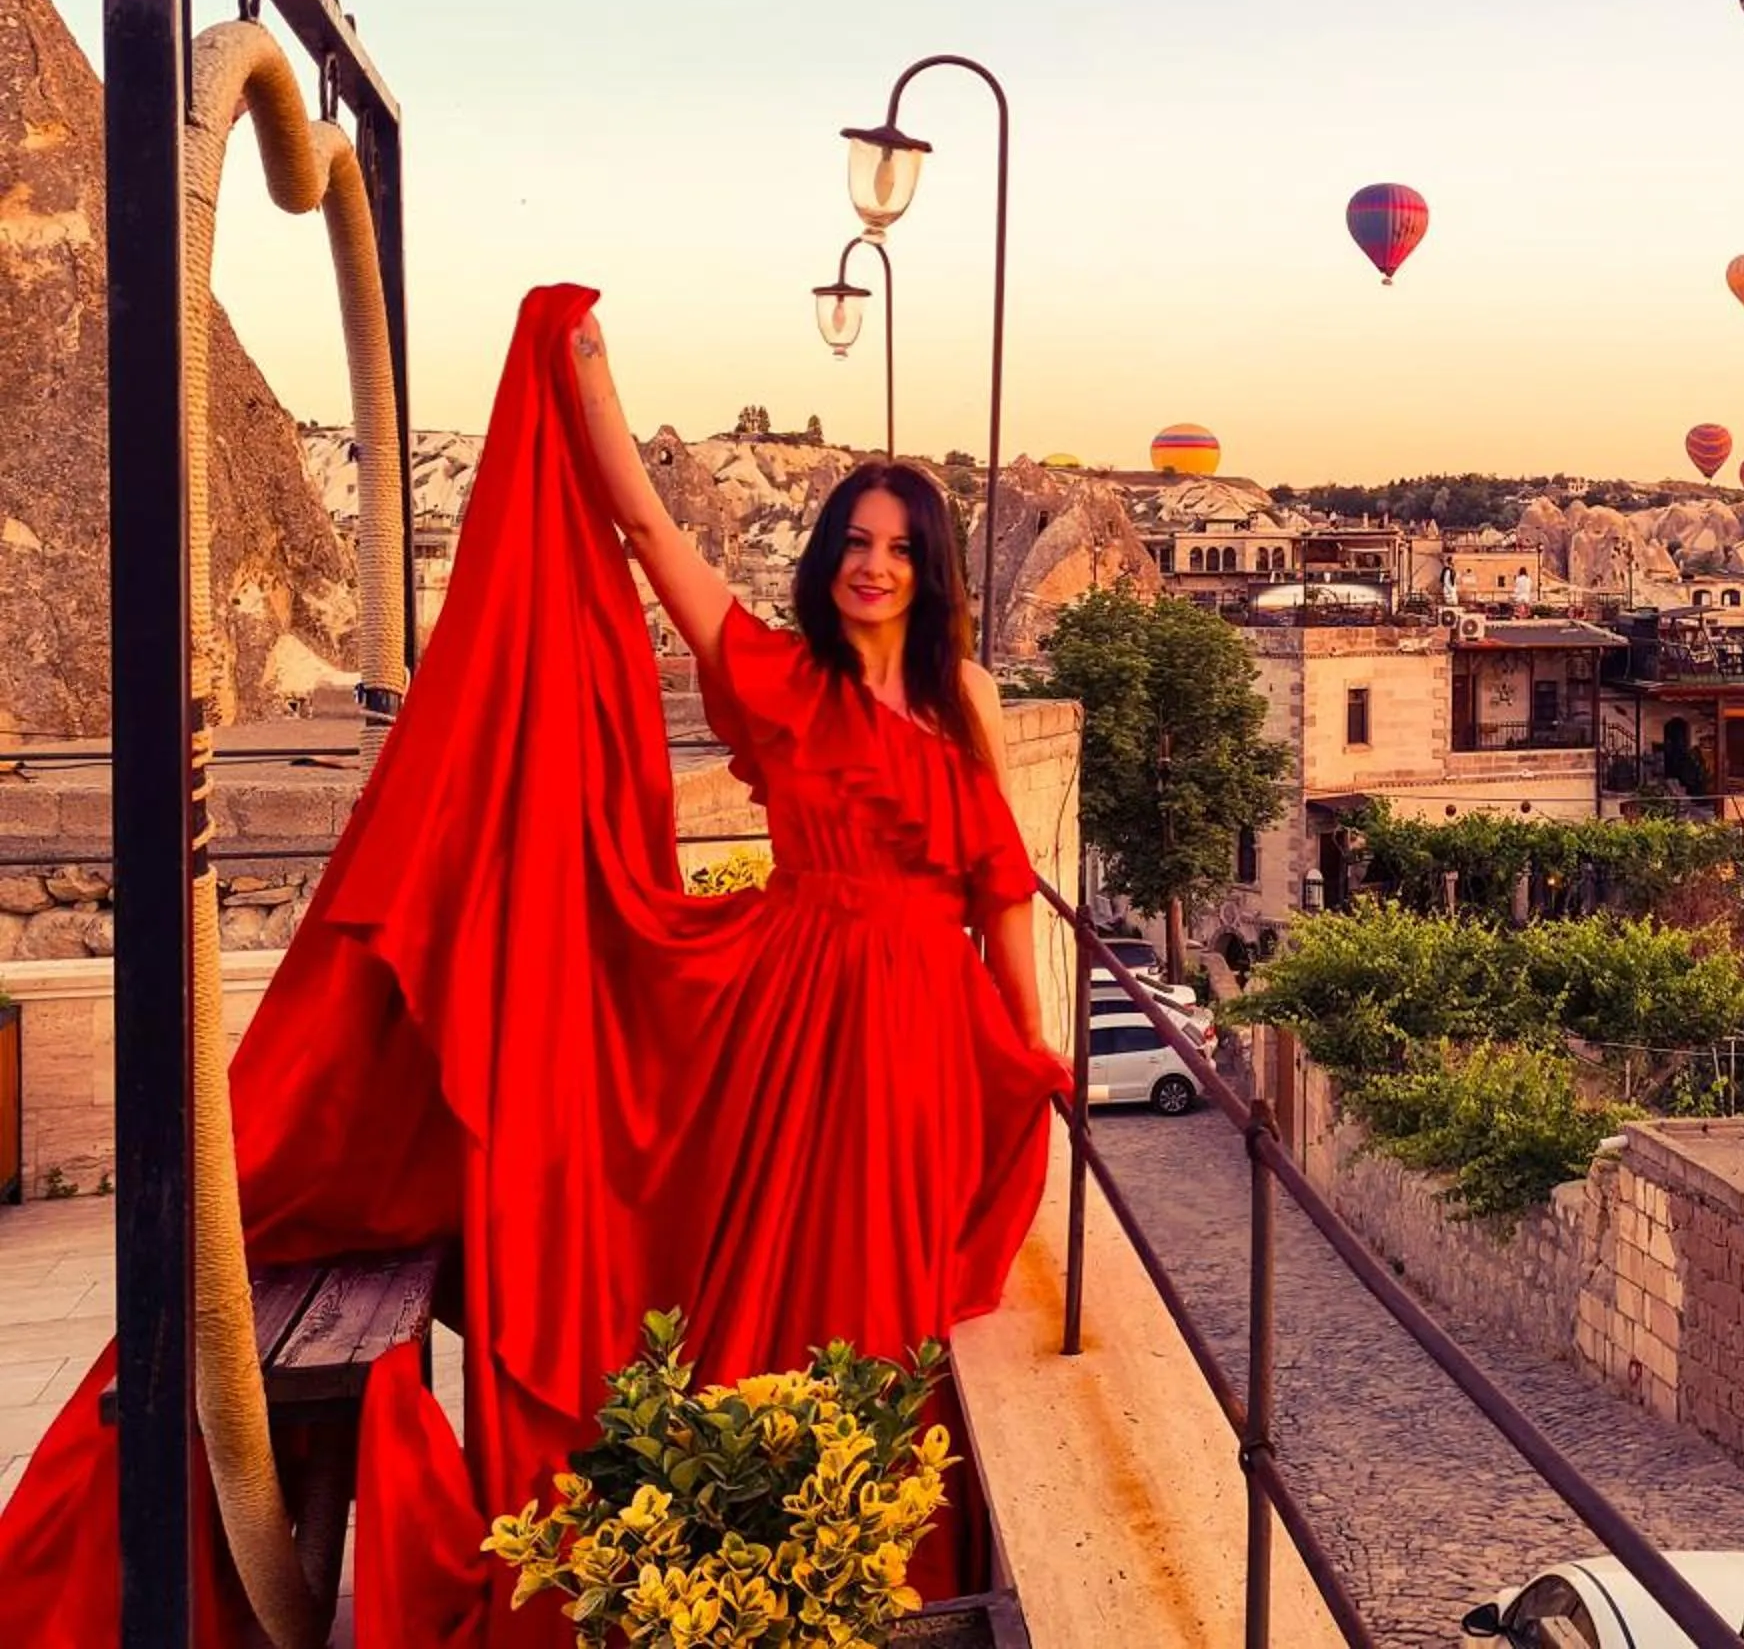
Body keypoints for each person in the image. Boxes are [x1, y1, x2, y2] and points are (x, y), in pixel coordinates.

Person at [0, 286, 1067, 1646]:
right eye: (853, 542)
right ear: (826, 559)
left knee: (894, 1315)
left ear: (931, 571)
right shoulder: (777, 679)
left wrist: (1034, 1046)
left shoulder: (964, 698)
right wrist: (587, 365)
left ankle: (886, 1582)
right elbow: (647, 530)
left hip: (921, 1046)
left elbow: (1002, 889)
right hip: (792, 1035)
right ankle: (768, 1576)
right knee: (793, 1308)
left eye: (899, 547)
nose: (872, 564)